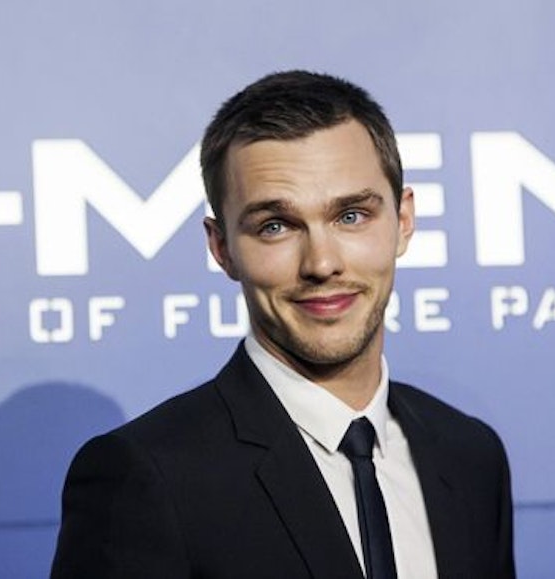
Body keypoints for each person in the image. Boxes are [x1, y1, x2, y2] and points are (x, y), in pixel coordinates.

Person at [51, 70, 515, 578]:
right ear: (222, 248)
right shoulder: (147, 477)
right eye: (276, 226)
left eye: (351, 216)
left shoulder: (470, 457)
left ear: (403, 221)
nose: (322, 263)